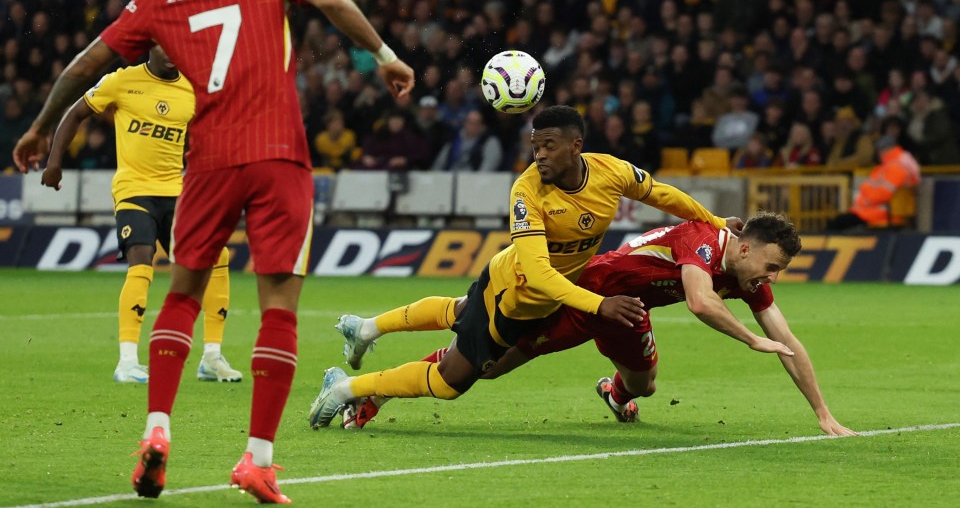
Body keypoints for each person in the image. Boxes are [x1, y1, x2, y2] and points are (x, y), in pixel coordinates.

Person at [12, 0, 414, 503]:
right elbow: (331, 0)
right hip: (277, 152)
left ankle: (157, 431)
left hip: (205, 162)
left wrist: (39, 126)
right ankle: (257, 460)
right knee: (278, 305)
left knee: (182, 292)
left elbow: (87, 63)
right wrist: (383, 55)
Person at [308, 105, 750, 429]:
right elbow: (540, 275)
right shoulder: (527, 191)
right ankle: (347, 388)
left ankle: (366, 329)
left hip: (534, 290)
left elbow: (662, 194)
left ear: (577, 147)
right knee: (453, 382)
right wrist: (599, 305)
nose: (538, 155)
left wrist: (711, 221)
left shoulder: (610, 172)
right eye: (535, 146)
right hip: (516, 298)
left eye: (549, 146)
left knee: (461, 315)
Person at [335, 213, 856, 437]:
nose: (773, 277)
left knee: (644, 387)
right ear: (742, 248)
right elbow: (699, 303)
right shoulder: (702, 238)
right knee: (486, 363)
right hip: (583, 296)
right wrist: (749, 338)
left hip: (628, 310)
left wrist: (822, 413)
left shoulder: (746, 276)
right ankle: (375, 393)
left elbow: (788, 340)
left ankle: (613, 392)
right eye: (771, 265)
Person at [41, 46, 242, 385]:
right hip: (134, 189)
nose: (171, 52)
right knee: (141, 260)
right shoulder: (122, 81)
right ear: (150, 45)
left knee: (216, 257)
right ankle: (127, 361)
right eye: (163, 44)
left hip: (177, 193)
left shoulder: (192, 89)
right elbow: (76, 113)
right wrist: (54, 161)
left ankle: (211, 356)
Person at [827, 133, 921, 231]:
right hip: (876, 211)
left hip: (880, 213)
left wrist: (866, 201)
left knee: (837, 223)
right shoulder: (893, 165)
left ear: (883, 150)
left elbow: (883, 194)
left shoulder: (895, 167)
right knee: (840, 221)